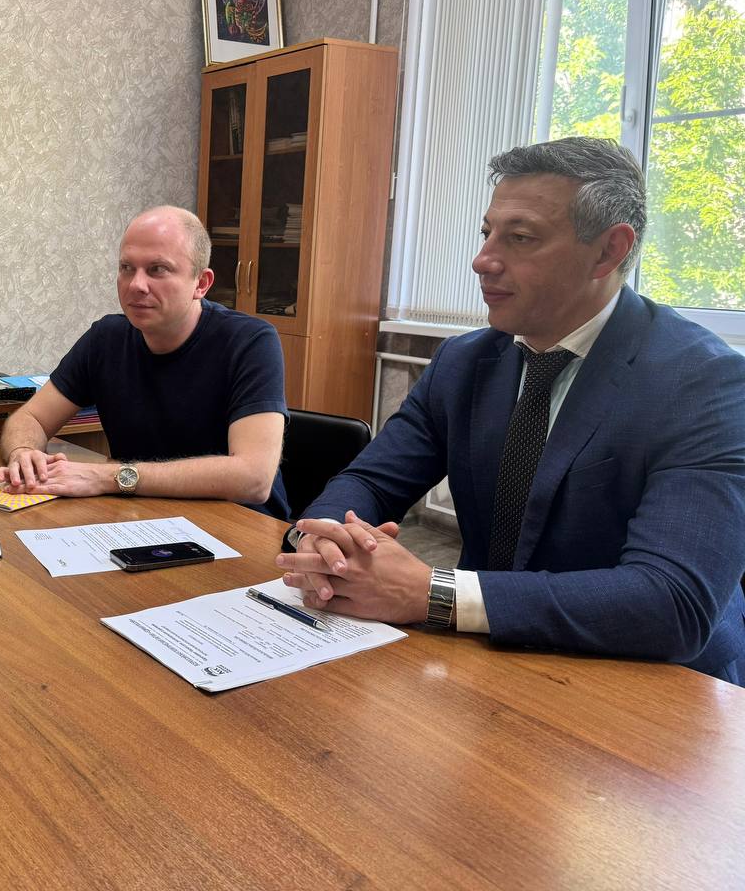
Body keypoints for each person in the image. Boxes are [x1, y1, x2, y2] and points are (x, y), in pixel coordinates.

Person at [277, 137, 745, 684]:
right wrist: (325, 541)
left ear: (608, 251)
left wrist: (434, 593)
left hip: (653, 686)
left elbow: (673, 601)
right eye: (487, 233)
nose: (482, 260)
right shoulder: (463, 361)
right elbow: (371, 480)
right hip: (488, 660)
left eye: (520, 238)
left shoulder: (706, 383)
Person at [0, 205, 289, 518]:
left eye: (157, 269)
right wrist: (23, 451)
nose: (136, 285)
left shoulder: (250, 341)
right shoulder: (106, 338)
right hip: (143, 517)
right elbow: (30, 418)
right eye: (126, 267)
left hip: (239, 526)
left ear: (201, 284)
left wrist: (108, 477)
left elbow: (253, 478)